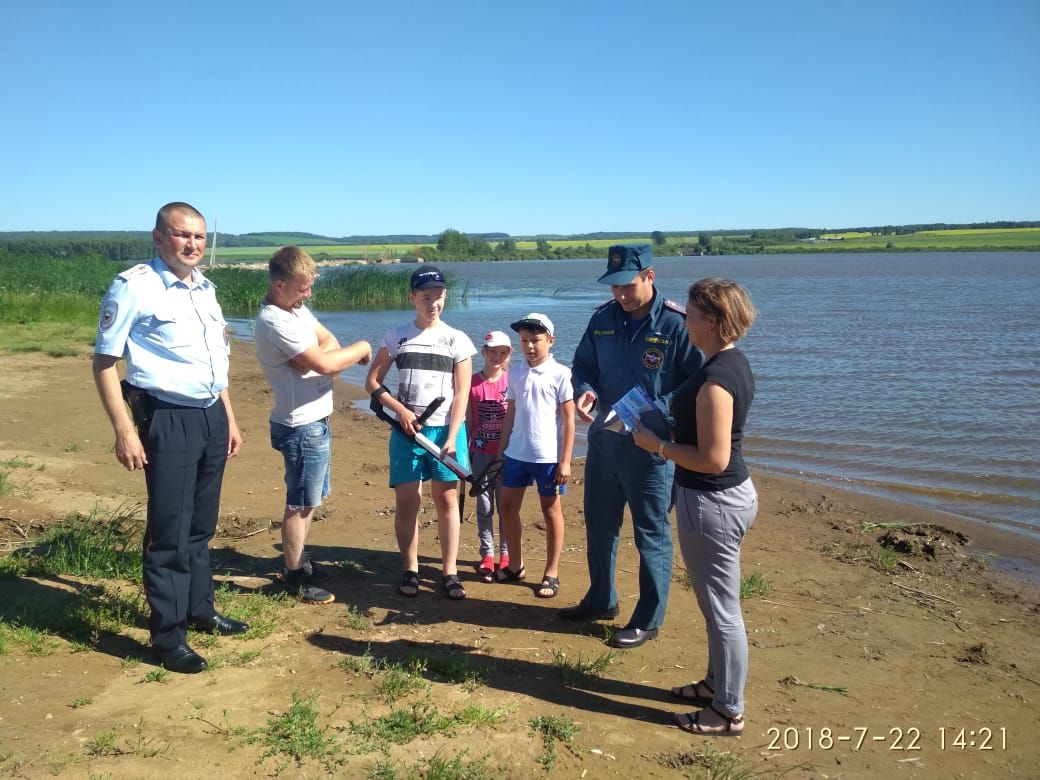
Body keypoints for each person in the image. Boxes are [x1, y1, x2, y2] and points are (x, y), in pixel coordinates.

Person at [92, 202, 247, 674]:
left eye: (199, 237)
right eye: (182, 235)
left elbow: (213, 364)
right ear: (159, 237)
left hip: (210, 416)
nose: (192, 244)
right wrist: (124, 430)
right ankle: (168, 637)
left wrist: (230, 419)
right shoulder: (135, 286)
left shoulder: (206, 289)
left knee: (201, 525)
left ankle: (201, 610)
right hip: (168, 417)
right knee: (169, 533)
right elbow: (104, 362)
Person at [632, 278, 758, 736]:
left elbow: (713, 458)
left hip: (713, 502)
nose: (684, 318)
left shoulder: (715, 380)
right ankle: (715, 685)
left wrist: (657, 445)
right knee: (716, 605)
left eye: (691, 311)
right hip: (720, 498)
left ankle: (728, 710)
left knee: (723, 611)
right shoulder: (728, 362)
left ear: (713, 320)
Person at [561, 245, 702, 649]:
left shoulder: (677, 325)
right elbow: (583, 366)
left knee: (650, 533)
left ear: (650, 276)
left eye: (628, 285)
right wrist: (585, 392)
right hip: (604, 444)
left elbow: (697, 384)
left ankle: (648, 618)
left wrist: (660, 414)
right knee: (600, 525)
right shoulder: (602, 320)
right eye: (615, 286)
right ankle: (601, 599)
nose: (621, 294)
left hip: (651, 450)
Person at [254, 246, 372, 604]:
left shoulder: (297, 310)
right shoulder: (275, 321)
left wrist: (328, 358)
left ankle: (298, 561)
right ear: (280, 283)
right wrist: (362, 346)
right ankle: (293, 577)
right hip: (299, 425)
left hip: (314, 421)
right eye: (303, 288)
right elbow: (323, 363)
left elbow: (327, 346)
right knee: (300, 503)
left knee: (311, 499)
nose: (309, 294)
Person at [364, 265, 475, 600]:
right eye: (426, 297)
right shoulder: (397, 335)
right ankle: (410, 569)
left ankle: (449, 572)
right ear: (413, 297)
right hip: (406, 435)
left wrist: (454, 437)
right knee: (407, 503)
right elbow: (373, 381)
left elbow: (462, 394)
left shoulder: (457, 339)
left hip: (446, 434)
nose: (433, 303)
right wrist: (400, 411)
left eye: (439, 296)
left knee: (447, 500)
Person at [496, 314, 575, 599]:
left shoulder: (561, 373)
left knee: (550, 510)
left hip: (548, 458)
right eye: (524, 341)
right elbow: (511, 413)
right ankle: (515, 565)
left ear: (550, 341)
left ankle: (551, 572)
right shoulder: (515, 373)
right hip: (516, 454)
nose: (530, 346)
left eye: (536, 340)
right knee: (507, 508)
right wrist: (501, 451)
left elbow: (569, 420)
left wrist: (565, 460)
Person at [467, 330, 513, 583]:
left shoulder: (511, 382)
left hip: (507, 456)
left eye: (503, 352)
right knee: (484, 507)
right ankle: (487, 554)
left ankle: (506, 555)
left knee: (506, 506)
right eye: (493, 351)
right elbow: (469, 420)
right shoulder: (472, 382)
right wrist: (463, 453)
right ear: (483, 352)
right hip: (480, 454)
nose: (497, 357)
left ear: (508, 355)